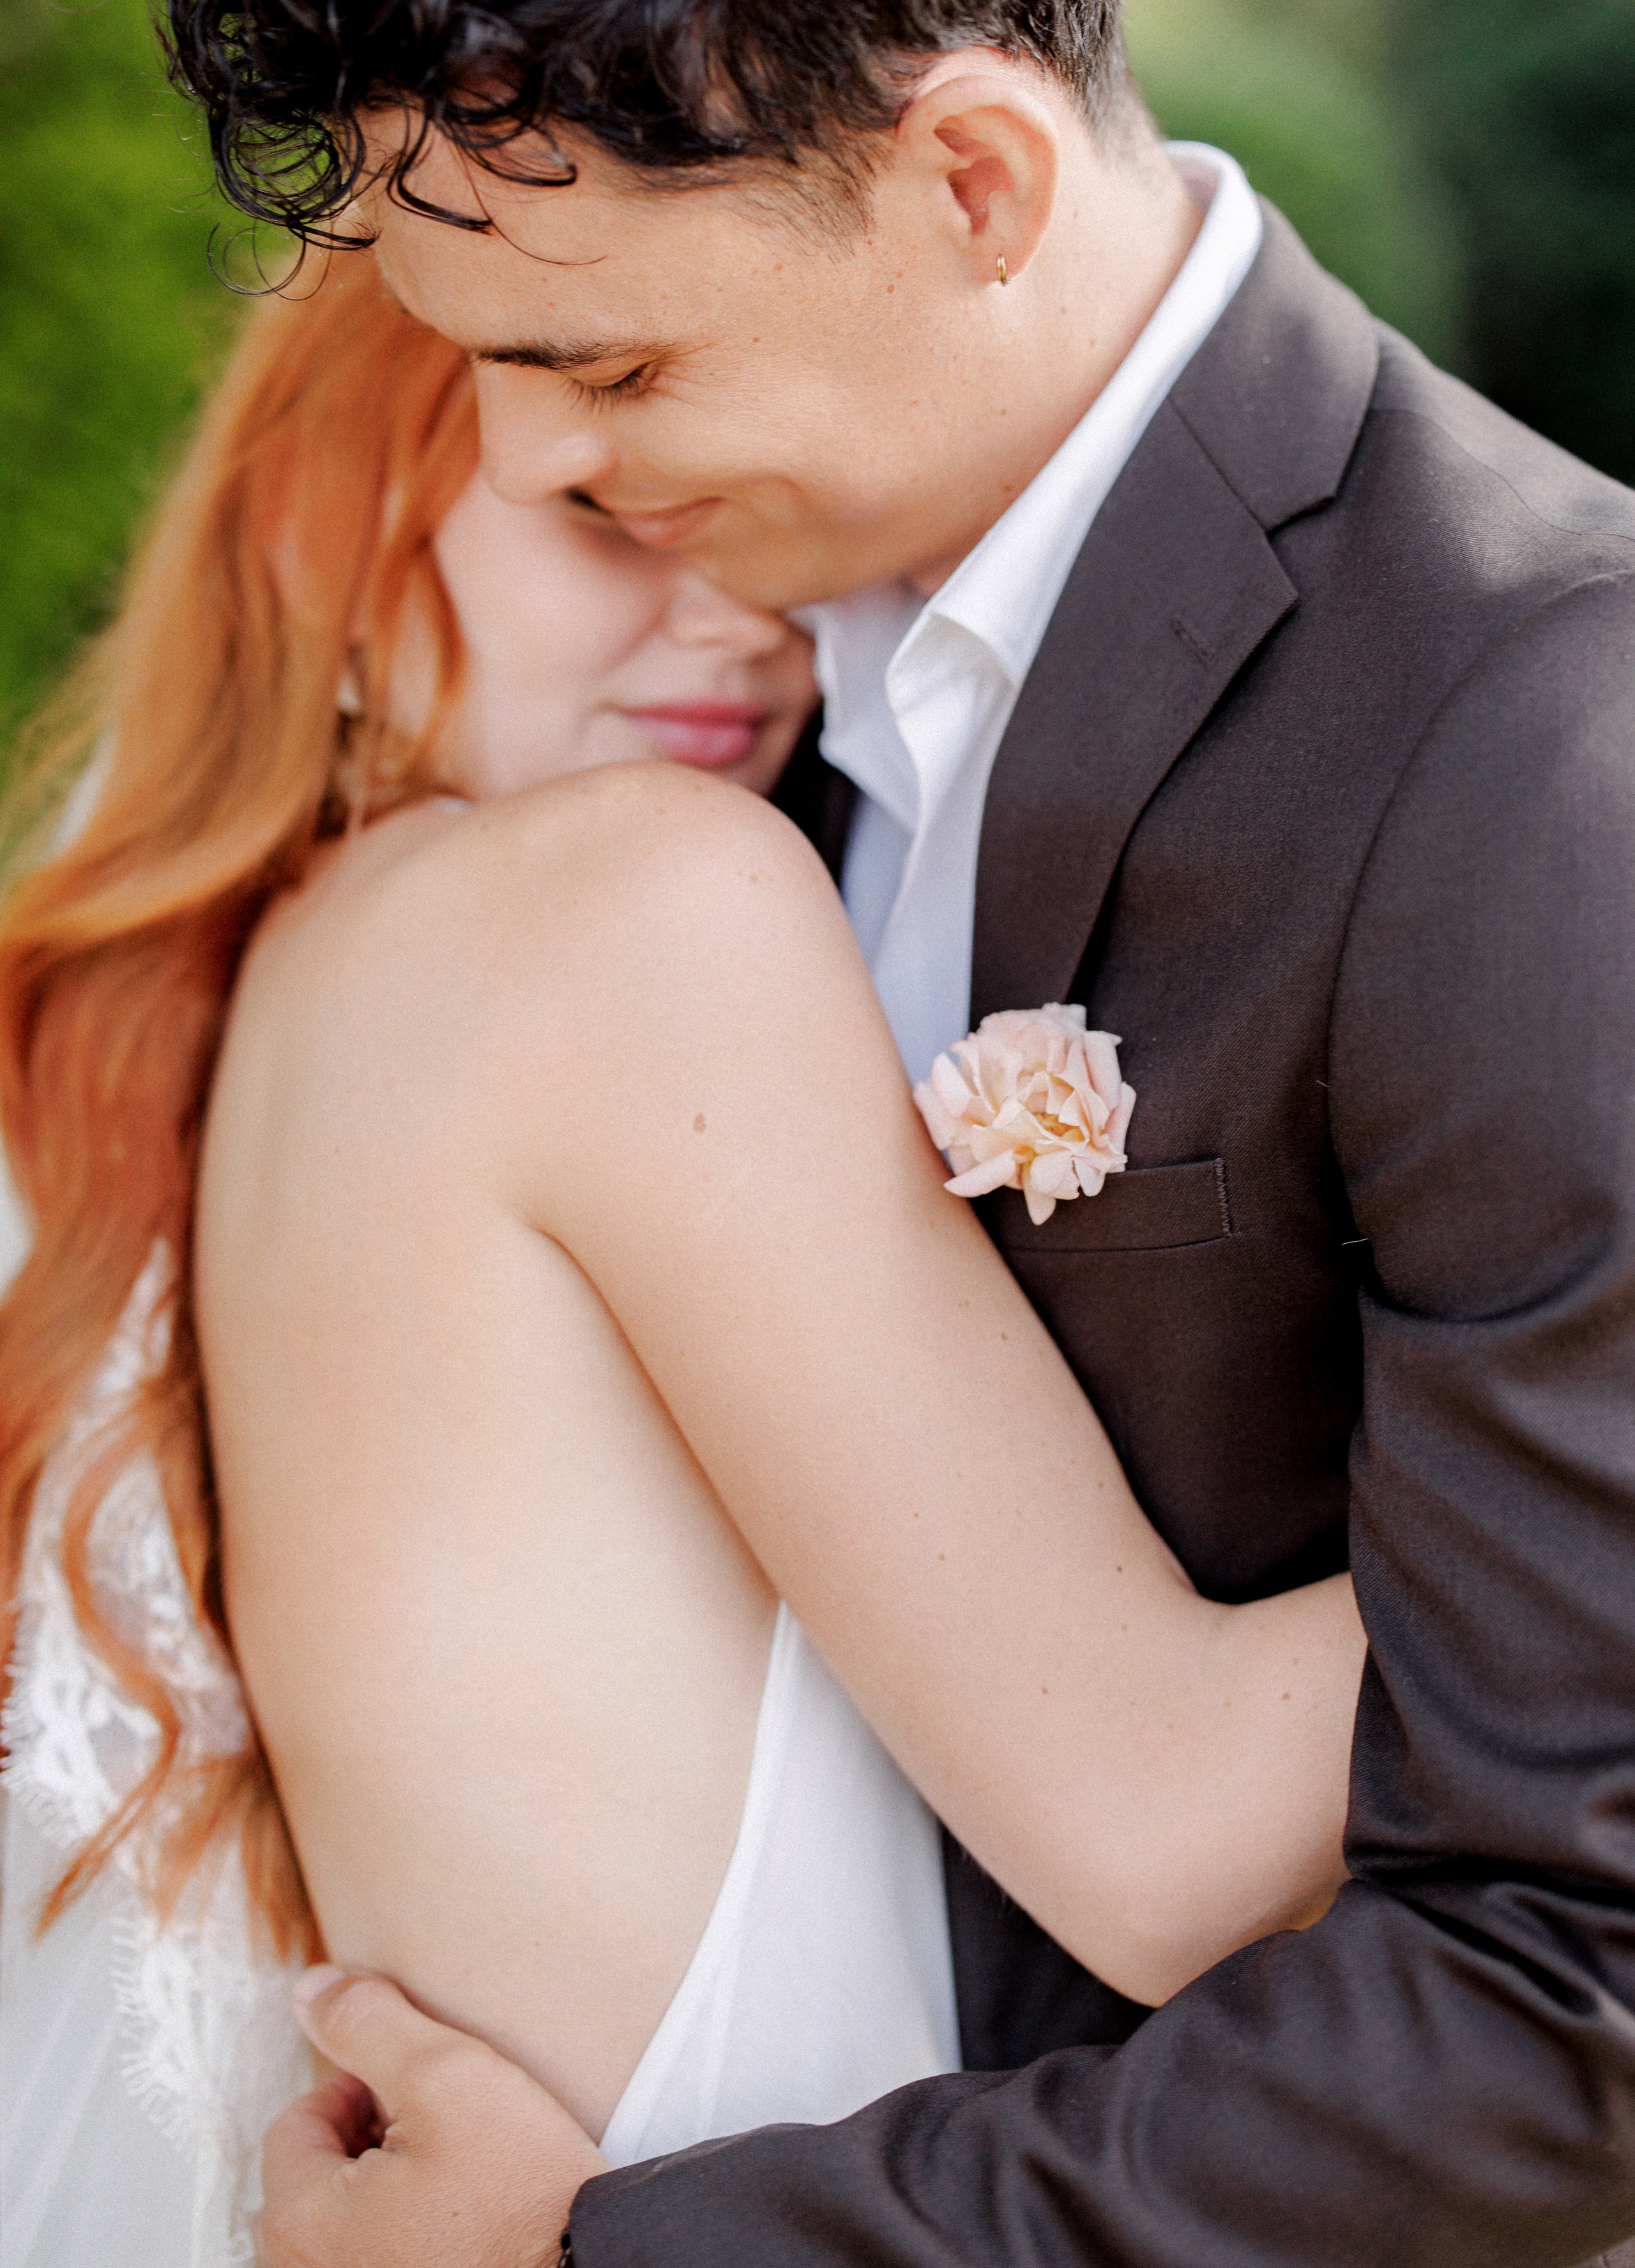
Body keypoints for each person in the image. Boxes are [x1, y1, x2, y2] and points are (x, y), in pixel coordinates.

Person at [104, 0, 1635, 2255]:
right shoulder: (694, 739)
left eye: (606, 362)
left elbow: (1565, 2020)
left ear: (973, 181)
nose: (528, 461)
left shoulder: (1538, 736)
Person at [0, 246, 1364, 2268]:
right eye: (605, 520)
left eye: (750, 521)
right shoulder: (628, 907)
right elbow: (1164, 1836)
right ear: (313, 526)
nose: (744, 623)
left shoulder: (199, 1030)